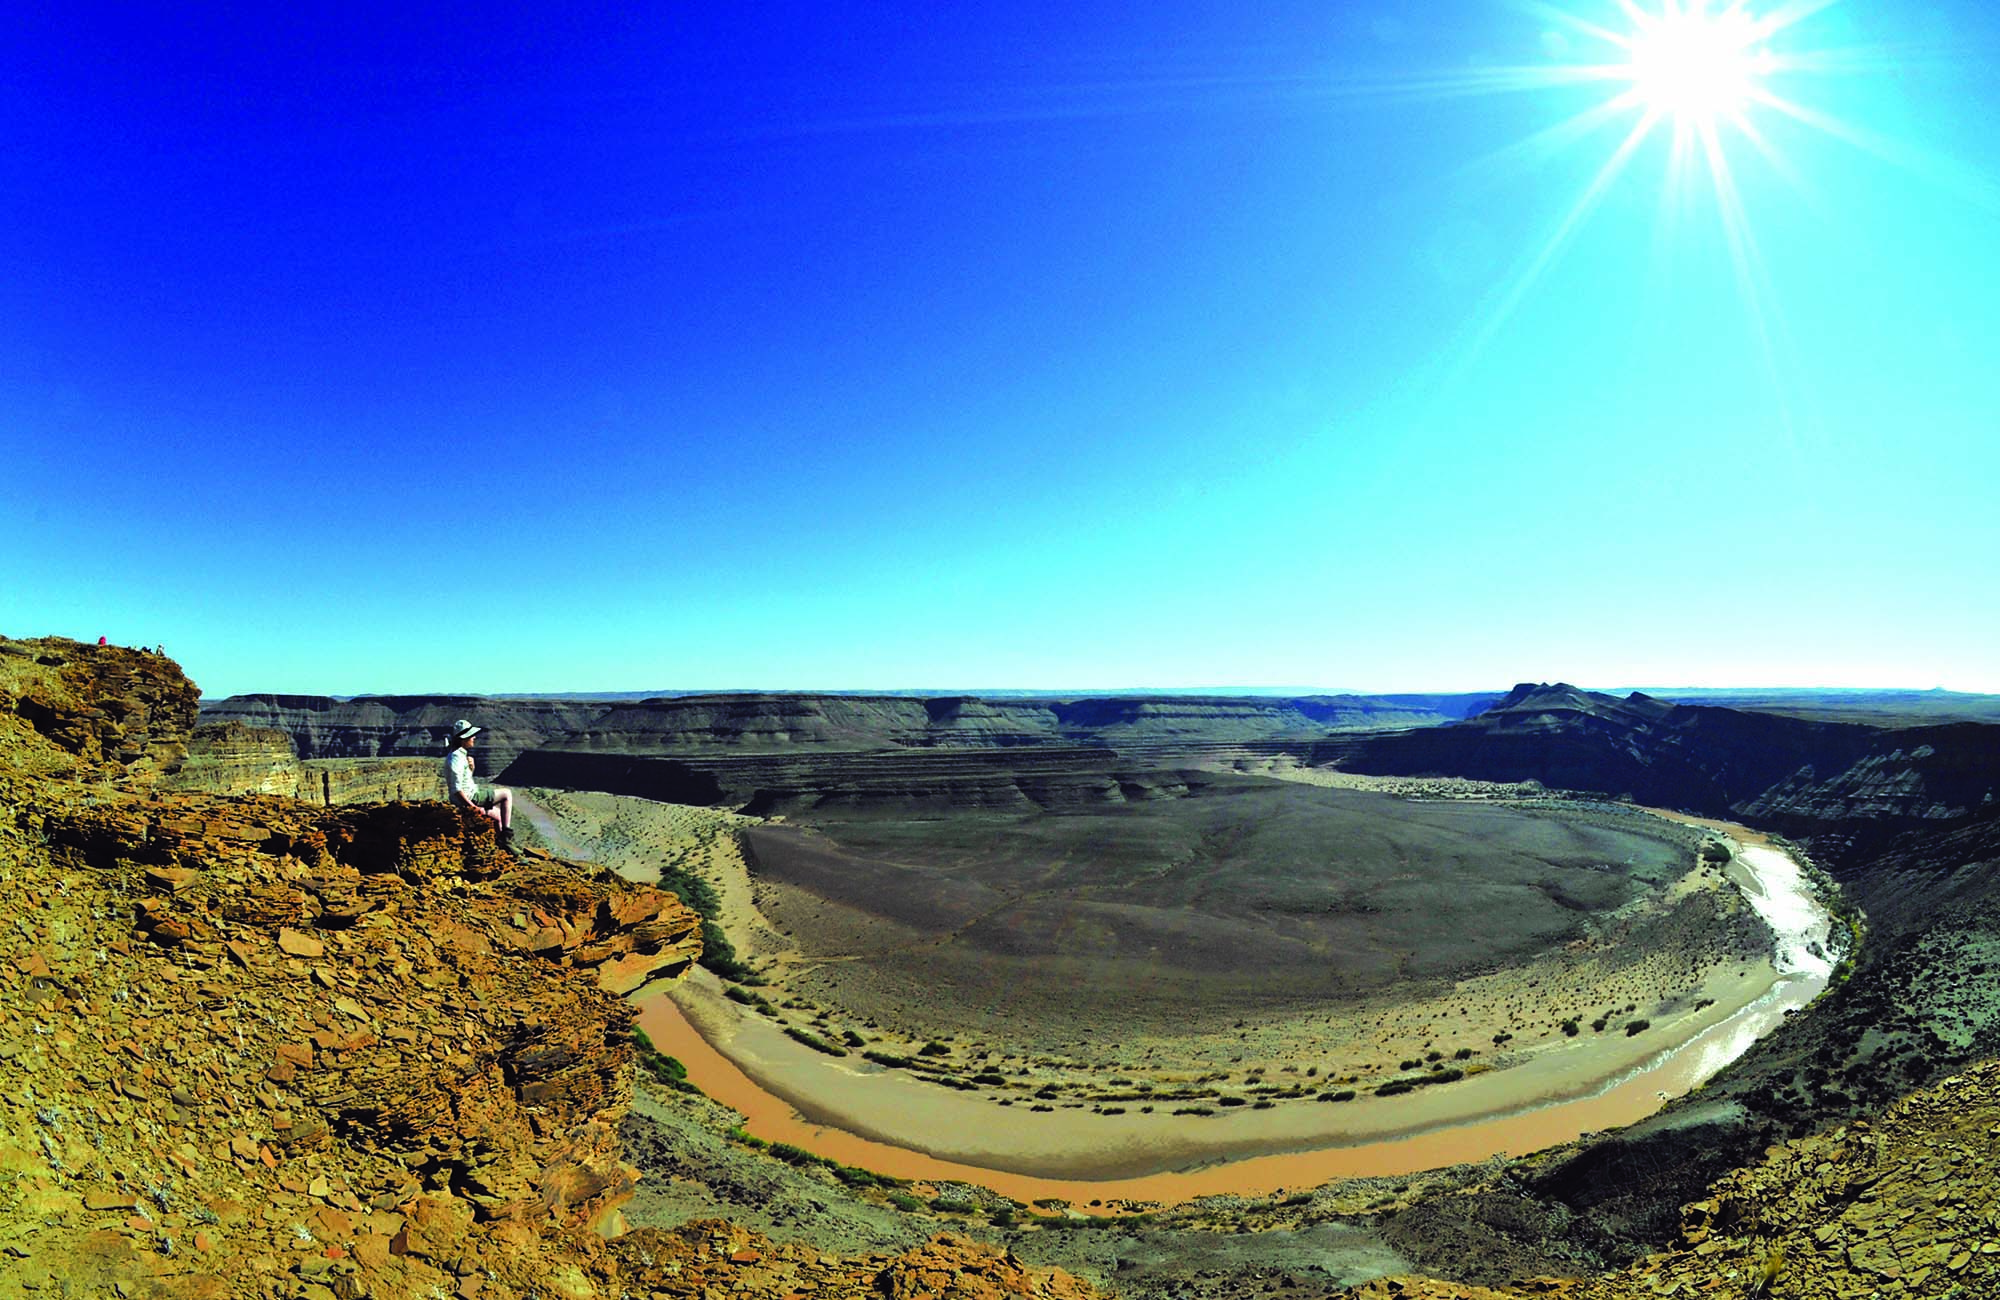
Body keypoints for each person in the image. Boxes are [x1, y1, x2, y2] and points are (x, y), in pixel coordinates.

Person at [443, 719, 513, 846]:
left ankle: (502, 844)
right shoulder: (456, 758)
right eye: (471, 736)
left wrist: (471, 769)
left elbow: (464, 781)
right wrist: (473, 807)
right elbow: (457, 789)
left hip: (466, 797)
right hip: (470, 799)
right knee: (506, 794)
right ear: (463, 739)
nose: (474, 737)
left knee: (497, 815)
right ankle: (506, 833)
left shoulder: (459, 756)